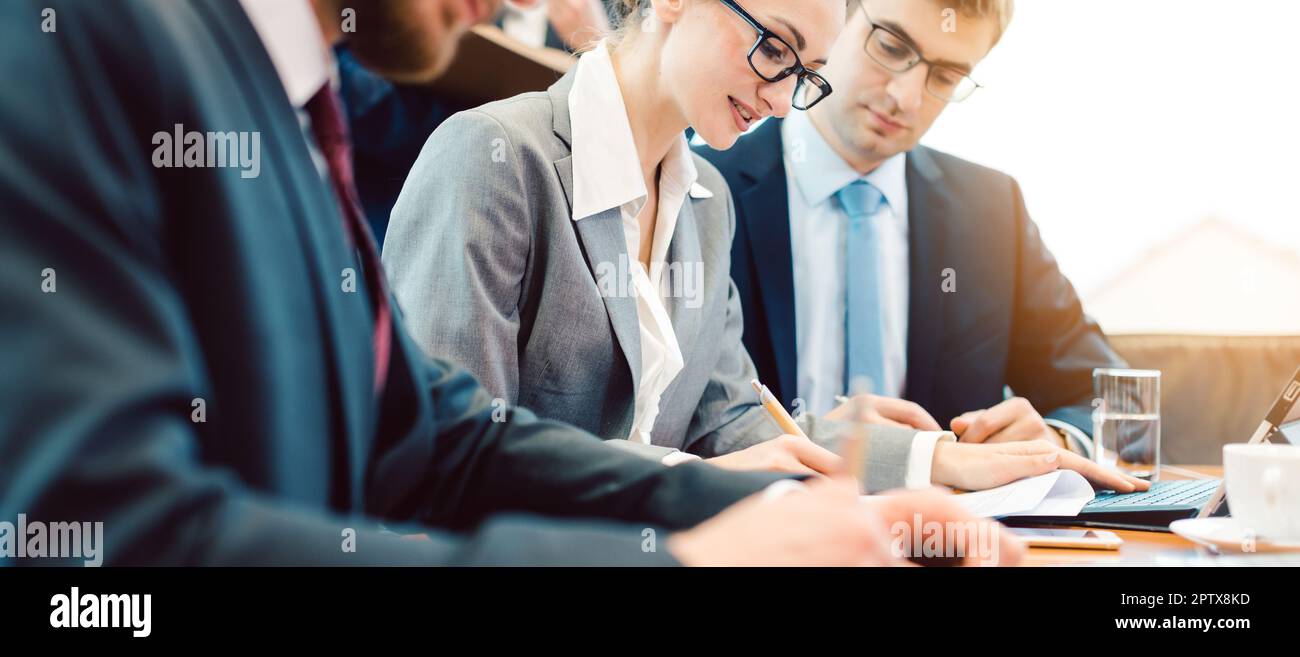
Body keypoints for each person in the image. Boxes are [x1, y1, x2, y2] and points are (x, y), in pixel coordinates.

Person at [0, 0, 1015, 566]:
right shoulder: (86, 41)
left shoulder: (294, 114)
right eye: (775, 50)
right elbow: (97, 548)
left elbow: (437, 443)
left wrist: (862, 496)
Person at [385, 0, 1140, 493]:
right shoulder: (490, 159)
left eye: (804, 73)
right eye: (775, 49)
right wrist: (687, 478)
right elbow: (441, 457)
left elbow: (737, 427)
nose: (783, 100)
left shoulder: (706, 207)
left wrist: (934, 459)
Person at [697, 0, 1146, 492]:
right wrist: (825, 435)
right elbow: (678, 427)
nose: (907, 97)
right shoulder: (701, 193)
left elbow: (1121, 405)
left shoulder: (991, 212)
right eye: (890, 46)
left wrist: (1054, 441)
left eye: (946, 76)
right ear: (836, 19)